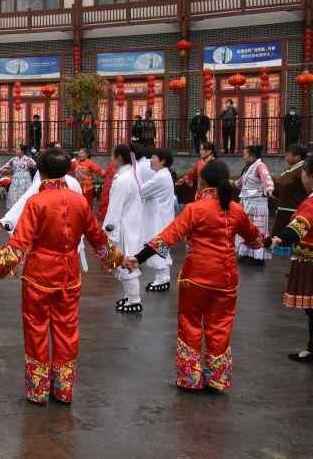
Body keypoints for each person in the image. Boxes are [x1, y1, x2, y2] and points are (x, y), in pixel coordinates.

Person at [0, 147, 123, 405]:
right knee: (67, 330)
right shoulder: (80, 201)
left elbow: (18, 244)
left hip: (39, 275)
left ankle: (38, 390)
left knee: (36, 329)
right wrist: (118, 261)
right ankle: (63, 389)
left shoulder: (37, 202)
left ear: (41, 172)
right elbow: (98, 238)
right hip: (69, 274)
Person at [127, 160, 262, 393]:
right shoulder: (235, 209)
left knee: (190, 324)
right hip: (226, 278)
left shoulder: (195, 209)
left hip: (196, 276)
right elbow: (255, 239)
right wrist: (271, 241)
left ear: (202, 181)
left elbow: (168, 237)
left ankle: (190, 378)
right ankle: (217, 379)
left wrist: (138, 258)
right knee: (220, 326)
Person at [267, 156, 313, 362]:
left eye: (303, 172)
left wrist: (279, 238)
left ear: (309, 175)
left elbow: (301, 225)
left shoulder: (311, 203)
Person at [104, 144, 145, 314]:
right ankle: (130, 296)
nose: (111, 159)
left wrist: (108, 232)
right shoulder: (129, 175)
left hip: (123, 228)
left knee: (125, 263)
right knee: (122, 262)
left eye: (112, 156)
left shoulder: (122, 179)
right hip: (129, 225)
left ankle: (134, 299)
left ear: (119, 158)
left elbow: (115, 208)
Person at [141, 147, 177, 292]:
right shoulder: (162, 174)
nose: (151, 160)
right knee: (160, 246)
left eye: (154, 157)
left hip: (159, 219)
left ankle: (162, 278)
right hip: (161, 217)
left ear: (162, 161)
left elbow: (142, 191)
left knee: (159, 246)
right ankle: (162, 277)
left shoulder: (160, 177)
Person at [234, 145, 274, 265]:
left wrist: (269, 189)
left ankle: (257, 257)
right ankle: (247, 253)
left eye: (244, 155)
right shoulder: (248, 167)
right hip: (247, 203)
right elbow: (241, 182)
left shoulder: (260, 165)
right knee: (247, 229)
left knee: (258, 229)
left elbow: (267, 179)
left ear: (252, 156)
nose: (243, 157)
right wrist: (232, 183)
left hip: (257, 205)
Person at [272, 145, 309, 255]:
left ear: (298, 156)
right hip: (284, 207)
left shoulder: (303, 169)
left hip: (293, 209)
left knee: (290, 236)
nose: (285, 157)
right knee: (281, 238)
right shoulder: (291, 169)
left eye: (288, 154)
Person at [0, 145, 37, 211]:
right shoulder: (13, 159)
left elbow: (36, 166)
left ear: (22, 151)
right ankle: (14, 211)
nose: (16, 150)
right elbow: (6, 166)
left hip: (25, 180)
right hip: (15, 179)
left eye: (18, 149)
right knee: (13, 195)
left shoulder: (28, 159)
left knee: (25, 195)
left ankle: (25, 210)